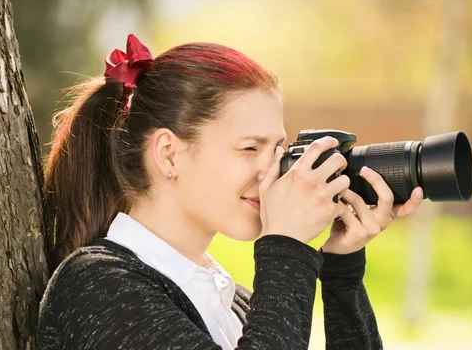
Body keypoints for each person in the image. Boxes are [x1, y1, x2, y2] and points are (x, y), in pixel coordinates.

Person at [36, 34, 425, 350]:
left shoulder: (233, 304)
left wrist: (342, 274)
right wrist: (286, 245)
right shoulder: (96, 286)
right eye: (250, 148)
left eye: (277, 149)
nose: (272, 170)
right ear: (169, 154)